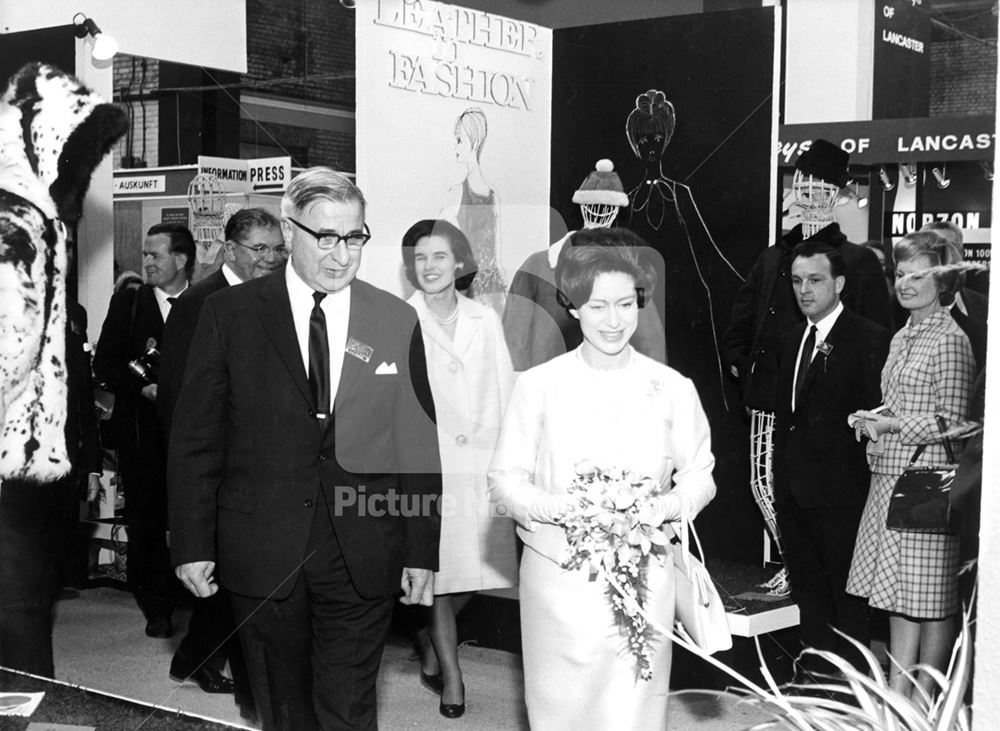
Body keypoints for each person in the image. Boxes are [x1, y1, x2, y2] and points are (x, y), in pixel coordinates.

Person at [168, 167, 442, 731]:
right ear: (290, 232)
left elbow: (416, 444)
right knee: (282, 710)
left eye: (355, 237)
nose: (342, 255)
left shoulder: (394, 318)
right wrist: (191, 543)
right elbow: (196, 441)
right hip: (262, 548)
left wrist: (421, 550)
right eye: (326, 237)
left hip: (363, 548)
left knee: (348, 712)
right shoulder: (230, 315)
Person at [488, 229, 716, 729]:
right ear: (571, 306)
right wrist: (554, 508)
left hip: (646, 574)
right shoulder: (539, 386)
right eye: (596, 307)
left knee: (634, 708)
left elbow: (700, 475)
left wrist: (668, 506)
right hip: (557, 577)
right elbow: (504, 482)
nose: (613, 321)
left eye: (624, 305)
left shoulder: (672, 388)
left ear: (640, 301)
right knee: (561, 708)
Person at [721, 139, 892, 597]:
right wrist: (742, 366)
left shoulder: (856, 261)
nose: (812, 189)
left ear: (838, 192)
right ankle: (796, 563)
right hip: (768, 394)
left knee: (821, 493)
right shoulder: (773, 256)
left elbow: (879, 336)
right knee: (764, 483)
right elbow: (742, 318)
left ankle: (811, 569)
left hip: (828, 406)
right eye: (805, 180)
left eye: (823, 183)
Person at [157, 208, 286, 703]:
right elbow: (179, 402)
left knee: (237, 580)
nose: (271, 259)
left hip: (257, 473)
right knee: (221, 579)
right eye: (260, 249)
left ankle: (195, 658)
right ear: (230, 249)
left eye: (278, 249)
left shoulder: (275, 299)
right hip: (215, 472)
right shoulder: (198, 304)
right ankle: (199, 660)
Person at [846, 231, 975, 700]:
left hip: (929, 480)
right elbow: (899, 402)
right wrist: (874, 418)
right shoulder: (903, 335)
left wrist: (895, 425)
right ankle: (898, 692)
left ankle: (926, 699)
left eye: (918, 275)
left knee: (931, 596)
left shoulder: (950, 339)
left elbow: (957, 424)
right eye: (900, 274)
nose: (905, 283)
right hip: (892, 475)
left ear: (941, 280)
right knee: (897, 596)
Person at [400, 219, 518, 718]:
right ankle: (452, 677)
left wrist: (512, 459)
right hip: (430, 468)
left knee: (476, 571)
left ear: (460, 263)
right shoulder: (399, 319)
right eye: (420, 258)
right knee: (441, 573)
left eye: (440, 257)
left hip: (482, 463)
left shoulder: (484, 318)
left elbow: (505, 386)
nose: (429, 267)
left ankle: (429, 635)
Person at [772, 242, 890, 679]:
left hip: (844, 493)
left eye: (815, 280)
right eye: (798, 281)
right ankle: (818, 681)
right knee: (809, 589)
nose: (804, 289)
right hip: (796, 491)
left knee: (848, 596)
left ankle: (851, 690)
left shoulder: (870, 338)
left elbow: (876, 415)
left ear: (839, 284)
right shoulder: (791, 340)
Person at [94, 222, 194, 638]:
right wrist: (144, 386)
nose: (147, 262)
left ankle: (194, 598)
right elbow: (106, 365)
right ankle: (156, 606)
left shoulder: (208, 303)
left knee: (191, 516)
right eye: (145, 255)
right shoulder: (129, 305)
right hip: (144, 436)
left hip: (194, 437)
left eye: (155, 255)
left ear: (181, 259)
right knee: (148, 520)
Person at [502, 159, 667, 371]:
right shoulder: (537, 266)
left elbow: (650, 345)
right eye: (595, 206)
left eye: (606, 207)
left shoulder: (631, 270)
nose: (600, 212)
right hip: (551, 391)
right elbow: (513, 343)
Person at [441, 106, 506, 314]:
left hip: (480, 291)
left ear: (474, 141)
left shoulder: (463, 193)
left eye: (460, 140)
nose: (456, 146)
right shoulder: (486, 195)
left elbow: (497, 256)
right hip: (474, 288)